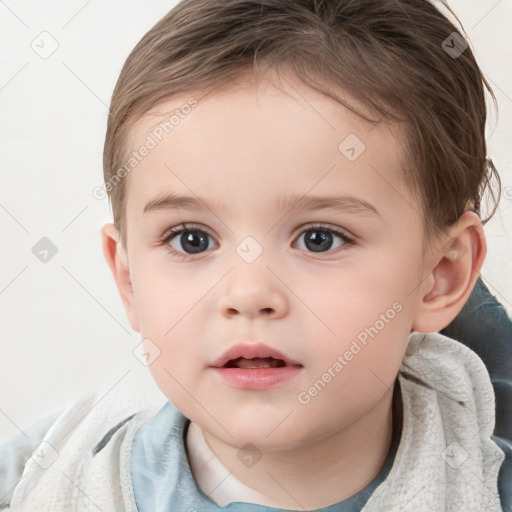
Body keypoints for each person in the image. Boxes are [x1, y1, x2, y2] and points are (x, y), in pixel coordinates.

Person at [1, 0, 511, 510]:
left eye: (320, 238)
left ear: (441, 275)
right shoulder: (40, 479)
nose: (248, 294)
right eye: (191, 239)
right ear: (129, 278)